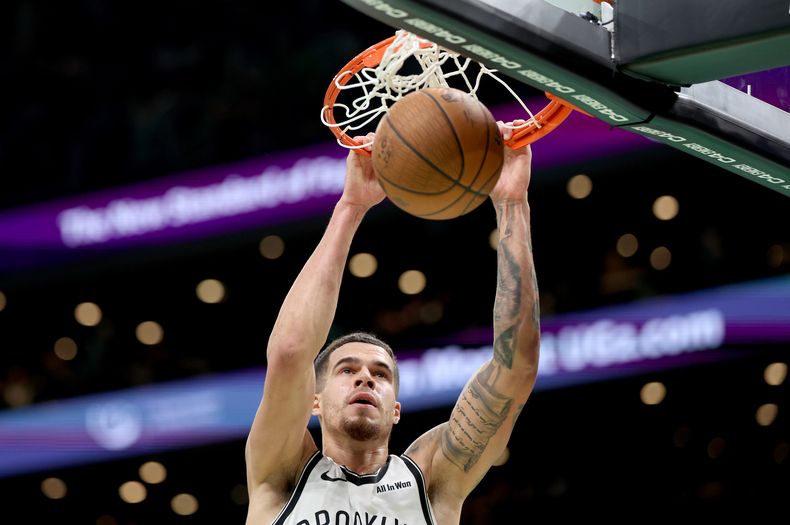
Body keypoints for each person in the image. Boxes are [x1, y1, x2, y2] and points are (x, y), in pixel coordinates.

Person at [245, 122, 540, 525]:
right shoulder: (283, 474)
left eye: (380, 374)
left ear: (396, 410)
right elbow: (290, 352)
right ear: (313, 401)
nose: (365, 378)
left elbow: (516, 365)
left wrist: (511, 204)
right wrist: (351, 206)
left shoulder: (431, 479)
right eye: (346, 370)